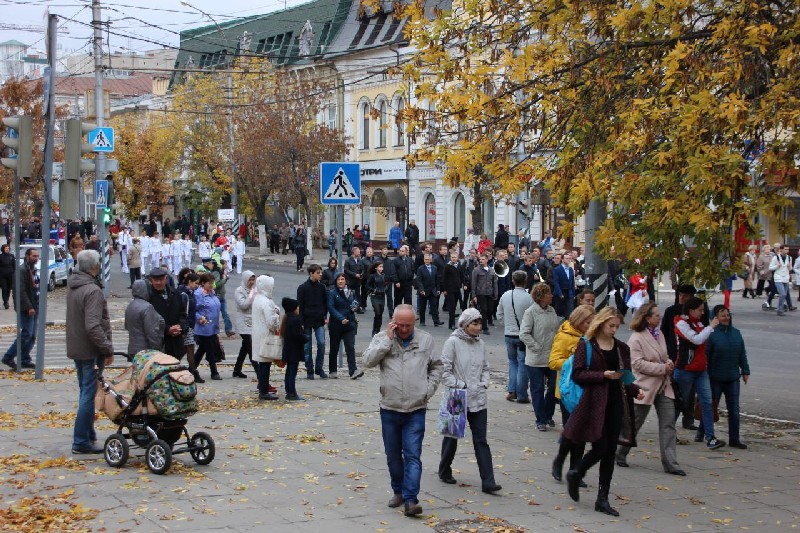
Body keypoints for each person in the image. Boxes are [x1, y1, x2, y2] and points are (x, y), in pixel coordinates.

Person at [362, 304, 443, 517]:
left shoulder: (425, 340)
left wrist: (428, 390)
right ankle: (398, 491)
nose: (404, 329)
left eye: (408, 325)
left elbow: (437, 366)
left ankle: (410, 500)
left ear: (414, 323)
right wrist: (387, 341)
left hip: (416, 408)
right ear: (393, 322)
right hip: (390, 408)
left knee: (413, 455)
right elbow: (367, 361)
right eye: (400, 325)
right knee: (393, 456)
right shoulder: (382, 338)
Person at [564, 308, 644, 516]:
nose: (614, 330)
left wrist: (635, 390)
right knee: (600, 447)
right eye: (611, 326)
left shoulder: (621, 348)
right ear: (600, 324)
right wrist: (602, 375)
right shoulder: (586, 345)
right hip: (594, 403)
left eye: (617, 326)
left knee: (610, 452)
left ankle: (602, 498)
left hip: (617, 402)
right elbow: (577, 374)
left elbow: (624, 376)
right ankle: (576, 472)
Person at [437, 307, 502, 494]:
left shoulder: (481, 344)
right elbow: (444, 370)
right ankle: (444, 469)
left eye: (480, 323)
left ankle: (488, 481)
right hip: (457, 397)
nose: (478, 327)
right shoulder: (452, 342)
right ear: (465, 325)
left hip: (478, 397)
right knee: (452, 437)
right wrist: (460, 385)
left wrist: (484, 383)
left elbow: (485, 367)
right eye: (474, 323)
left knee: (481, 440)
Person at [615, 303, 684, 475]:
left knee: (668, 424)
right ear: (647, 318)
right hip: (644, 386)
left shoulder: (659, 334)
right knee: (634, 422)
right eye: (656, 315)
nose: (660, 318)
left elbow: (665, 356)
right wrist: (662, 368)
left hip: (664, 385)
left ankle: (671, 464)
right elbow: (637, 364)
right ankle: (619, 452)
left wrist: (669, 363)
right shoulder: (636, 338)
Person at [66, 250, 113, 454]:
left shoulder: (74, 285)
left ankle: (88, 435)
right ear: (95, 266)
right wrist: (107, 347)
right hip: (90, 350)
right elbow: (93, 325)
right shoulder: (92, 290)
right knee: (88, 394)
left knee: (85, 391)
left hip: (78, 347)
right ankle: (81, 441)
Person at [549, 305, 595, 484]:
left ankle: (575, 470)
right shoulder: (565, 336)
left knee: (580, 434)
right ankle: (560, 460)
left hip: (586, 390)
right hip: (568, 391)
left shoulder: (591, 338)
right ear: (578, 321)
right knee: (572, 432)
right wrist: (575, 363)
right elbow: (553, 361)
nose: (590, 326)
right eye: (587, 322)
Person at [673, 296, 725, 450]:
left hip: (701, 370)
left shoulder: (699, 323)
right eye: (700, 310)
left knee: (707, 402)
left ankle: (710, 437)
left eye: (703, 310)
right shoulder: (681, 323)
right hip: (685, 370)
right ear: (691, 310)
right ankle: (668, 430)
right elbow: (697, 340)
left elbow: (704, 340)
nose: (702, 313)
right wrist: (711, 327)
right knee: (679, 403)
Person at [519, 283, 563, 431]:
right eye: (548, 293)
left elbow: (556, 330)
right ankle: (541, 420)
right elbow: (524, 333)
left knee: (553, 388)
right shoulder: (530, 312)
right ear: (541, 296)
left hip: (552, 357)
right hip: (536, 359)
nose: (551, 296)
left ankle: (548, 414)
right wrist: (536, 347)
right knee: (537, 389)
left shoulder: (551, 310)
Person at [706, 305, 750, 449]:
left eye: (727, 315)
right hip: (715, 378)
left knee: (734, 410)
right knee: (711, 408)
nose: (726, 318)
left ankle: (734, 439)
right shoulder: (711, 334)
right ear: (715, 318)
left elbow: (742, 353)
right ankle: (703, 433)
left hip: (732, 378)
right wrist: (705, 375)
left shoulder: (736, 333)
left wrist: (745, 370)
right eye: (722, 315)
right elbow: (706, 357)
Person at [496, 271, 533, 403]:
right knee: (522, 364)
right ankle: (522, 394)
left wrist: (507, 324)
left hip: (509, 334)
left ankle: (512, 390)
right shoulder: (529, 298)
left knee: (512, 362)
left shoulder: (506, 295)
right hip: (523, 335)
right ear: (525, 281)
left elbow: (499, 314)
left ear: (513, 280)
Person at [2, 248, 40, 370]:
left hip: (35, 305)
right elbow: (20, 291)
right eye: (34, 256)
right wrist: (29, 307)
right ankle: (8, 357)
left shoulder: (33, 269)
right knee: (26, 334)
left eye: (37, 256)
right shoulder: (22, 270)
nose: (36, 258)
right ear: (27, 256)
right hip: (27, 307)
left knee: (32, 335)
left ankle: (24, 359)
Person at [147, 267, 189, 360]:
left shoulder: (175, 293)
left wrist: (180, 326)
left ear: (166, 279)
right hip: (159, 343)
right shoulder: (148, 297)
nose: (158, 283)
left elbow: (183, 314)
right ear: (151, 280)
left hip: (176, 341)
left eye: (161, 280)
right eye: (156, 280)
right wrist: (167, 329)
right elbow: (149, 321)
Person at [327, 272, 363, 379]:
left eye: (342, 279)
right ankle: (332, 370)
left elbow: (356, 303)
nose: (340, 281)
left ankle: (353, 371)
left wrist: (356, 307)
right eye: (338, 280)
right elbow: (331, 308)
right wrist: (341, 318)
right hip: (336, 324)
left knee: (350, 347)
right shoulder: (332, 293)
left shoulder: (351, 292)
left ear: (346, 281)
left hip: (350, 324)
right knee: (334, 348)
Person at [297, 264, 329, 379]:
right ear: (311, 273)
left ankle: (319, 368)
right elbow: (300, 305)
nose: (320, 275)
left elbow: (325, 303)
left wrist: (324, 315)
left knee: (321, 343)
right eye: (318, 273)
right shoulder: (303, 287)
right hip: (306, 320)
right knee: (307, 347)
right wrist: (301, 322)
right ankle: (309, 369)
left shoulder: (322, 287)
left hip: (319, 319)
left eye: (321, 272)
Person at [252, 275, 280, 400]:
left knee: (263, 363)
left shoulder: (257, 299)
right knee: (265, 364)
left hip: (258, 334)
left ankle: (263, 389)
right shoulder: (267, 302)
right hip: (265, 335)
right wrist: (276, 314)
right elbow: (271, 322)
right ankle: (264, 391)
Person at [193, 272, 223, 382]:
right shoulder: (199, 294)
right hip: (204, 326)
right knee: (210, 349)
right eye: (209, 283)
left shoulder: (212, 293)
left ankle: (191, 368)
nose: (211, 285)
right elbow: (194, 310)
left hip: (212, 326)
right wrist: (200, 318)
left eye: (212, 283)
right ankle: (214, 372)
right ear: (203, 283)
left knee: (202, 349)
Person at [124, 279, 165, 359]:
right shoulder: (147, 307)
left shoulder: (130, 306)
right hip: (146, 351)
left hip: (133, 349)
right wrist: (157, 348)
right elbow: (151, 331)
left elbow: (127, 326)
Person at [280, 297, 306, 401]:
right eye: (297, 307)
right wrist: (305, 338)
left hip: (288, 350)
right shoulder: (295, 320)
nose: (298, 309)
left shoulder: (287, 319)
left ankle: (289, 391)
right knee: (292, 372)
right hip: (294, 350)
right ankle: (292, 393)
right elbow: (297, 335)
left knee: (289, 371)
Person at [233, 271, 257, 379]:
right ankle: (258, 371)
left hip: (252, 321)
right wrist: (251, 296)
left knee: (245, 347)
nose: (251, 282)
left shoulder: (253, 290)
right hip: (243, 321)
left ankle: (237, 369)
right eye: (249, 280)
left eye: (253, 280)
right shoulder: (239, 290)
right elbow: (243, 305)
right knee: (250, 347)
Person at [177, 269, 199, 376]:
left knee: (187, 348)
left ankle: (192, 370)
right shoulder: (184, 294)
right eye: (196, 283)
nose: (197, 286)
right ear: (189, 282)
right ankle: (193, 371)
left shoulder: (190, 293)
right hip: (186, 325)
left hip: (189, 324)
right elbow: (183, 311)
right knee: (188, 348)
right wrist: (185, 326)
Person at [471, 253, 497, 334]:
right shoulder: (476, 270)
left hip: (490, 293)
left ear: (487, 260)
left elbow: (494, 283)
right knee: (484, 310)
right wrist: (474, 295)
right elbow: (473, 283)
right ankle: (484, 328)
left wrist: (495, 293)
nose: (481, 261)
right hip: (480, 293)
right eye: (480, 259)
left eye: (483, 259)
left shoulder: (491, 270)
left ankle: (485, 322)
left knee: (490, 309)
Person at [415, 253, 442, 326]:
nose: (426, 261)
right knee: (422, 307)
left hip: (432, 290)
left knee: (434, 306)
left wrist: (438, 289)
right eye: (425, 259)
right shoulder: (420, 268)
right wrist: (421, 290)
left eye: (428, 259)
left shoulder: (434, 268)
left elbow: (437, 280)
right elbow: (419, 280)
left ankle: (436, 321)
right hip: (424, 290)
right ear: (424, 260)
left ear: (431, 260)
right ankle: (422, 321)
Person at [769, 244, 795, 316]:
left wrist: (789, 267)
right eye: (785, 249)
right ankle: (780, 310)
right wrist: (777, 266)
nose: (787, 251)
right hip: (778, 277)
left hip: (786, 277)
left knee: (785, 294)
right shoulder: (776, 257)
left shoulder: (789, 258)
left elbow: (790, 269)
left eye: (788, 249)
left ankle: (781, 308)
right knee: (782, 294)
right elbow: (770, 267)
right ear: (781, 250)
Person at [366, 262, 388, 336]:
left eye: (382, 267)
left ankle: (378, 330)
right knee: (377, 313)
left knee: (380, 314)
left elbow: (387, 284)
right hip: (374, 296)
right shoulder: (372, 276)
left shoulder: (384, 275)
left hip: (382, 296)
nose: (382, 268)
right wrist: (374, 290)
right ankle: (374, 330)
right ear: (376, 268)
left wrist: (385, 289)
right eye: (380, 267)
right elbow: (367, 286)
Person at [552, 253, 577, 318]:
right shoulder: (557, 269)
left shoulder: (570, 269)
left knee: (570, 311)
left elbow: (572, 282)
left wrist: (573, 294)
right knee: (560, 313)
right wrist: (560, 294)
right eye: (567, 258)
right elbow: (556, 282)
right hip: (561, 292)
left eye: (570, 258)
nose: (569, 260)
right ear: (562, 260)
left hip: (569, 293)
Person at [0, 243, 15, 310]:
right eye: (6, 248)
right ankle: (5, 302)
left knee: (9, 288)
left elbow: (14, 266)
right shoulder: (0, 256)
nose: (7, 249)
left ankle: (7, 299)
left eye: (8, 248)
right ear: (3, 249)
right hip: (2, 275)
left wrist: (14, 273)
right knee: (4, 288)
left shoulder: (11, 256)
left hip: (10, 275)